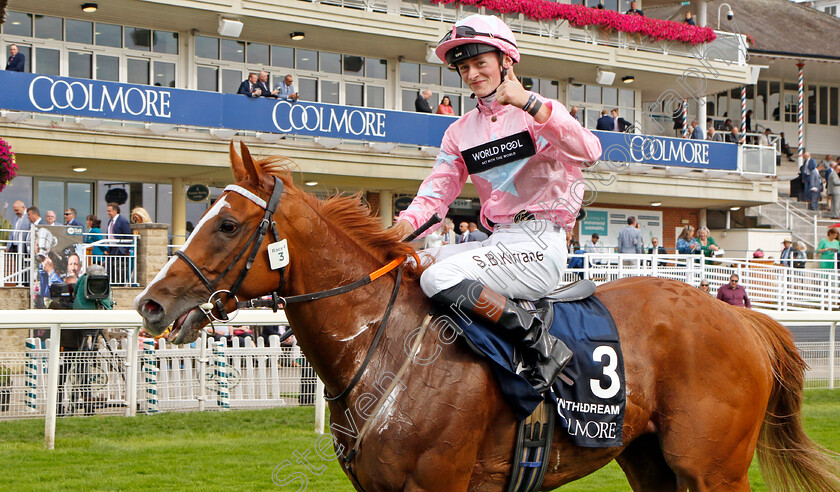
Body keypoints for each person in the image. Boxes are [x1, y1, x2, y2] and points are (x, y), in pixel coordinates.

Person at [392, 14, 602, 393]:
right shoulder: (459, 132)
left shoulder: (539, 112)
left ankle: (542, 345)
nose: (471, 74)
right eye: (464, 67)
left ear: (506, 59)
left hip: (540, 245)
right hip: (497, 242)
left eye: (480, 63)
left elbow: (590, 151)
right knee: (408, 265)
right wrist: (401, 228)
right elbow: (437, 193)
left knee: (438, 277)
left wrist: (529, 102)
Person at [105, 203, 131, 281]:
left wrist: (126, 250)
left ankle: (119, 283)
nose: (108, 213)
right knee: (110, 269)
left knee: (118, 269)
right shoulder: (110, 221)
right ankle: (111, 283)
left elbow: (128, 235)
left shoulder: (123, 221)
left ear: (115, 211)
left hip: (119, 249)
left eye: (109, 211)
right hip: (112, 249)